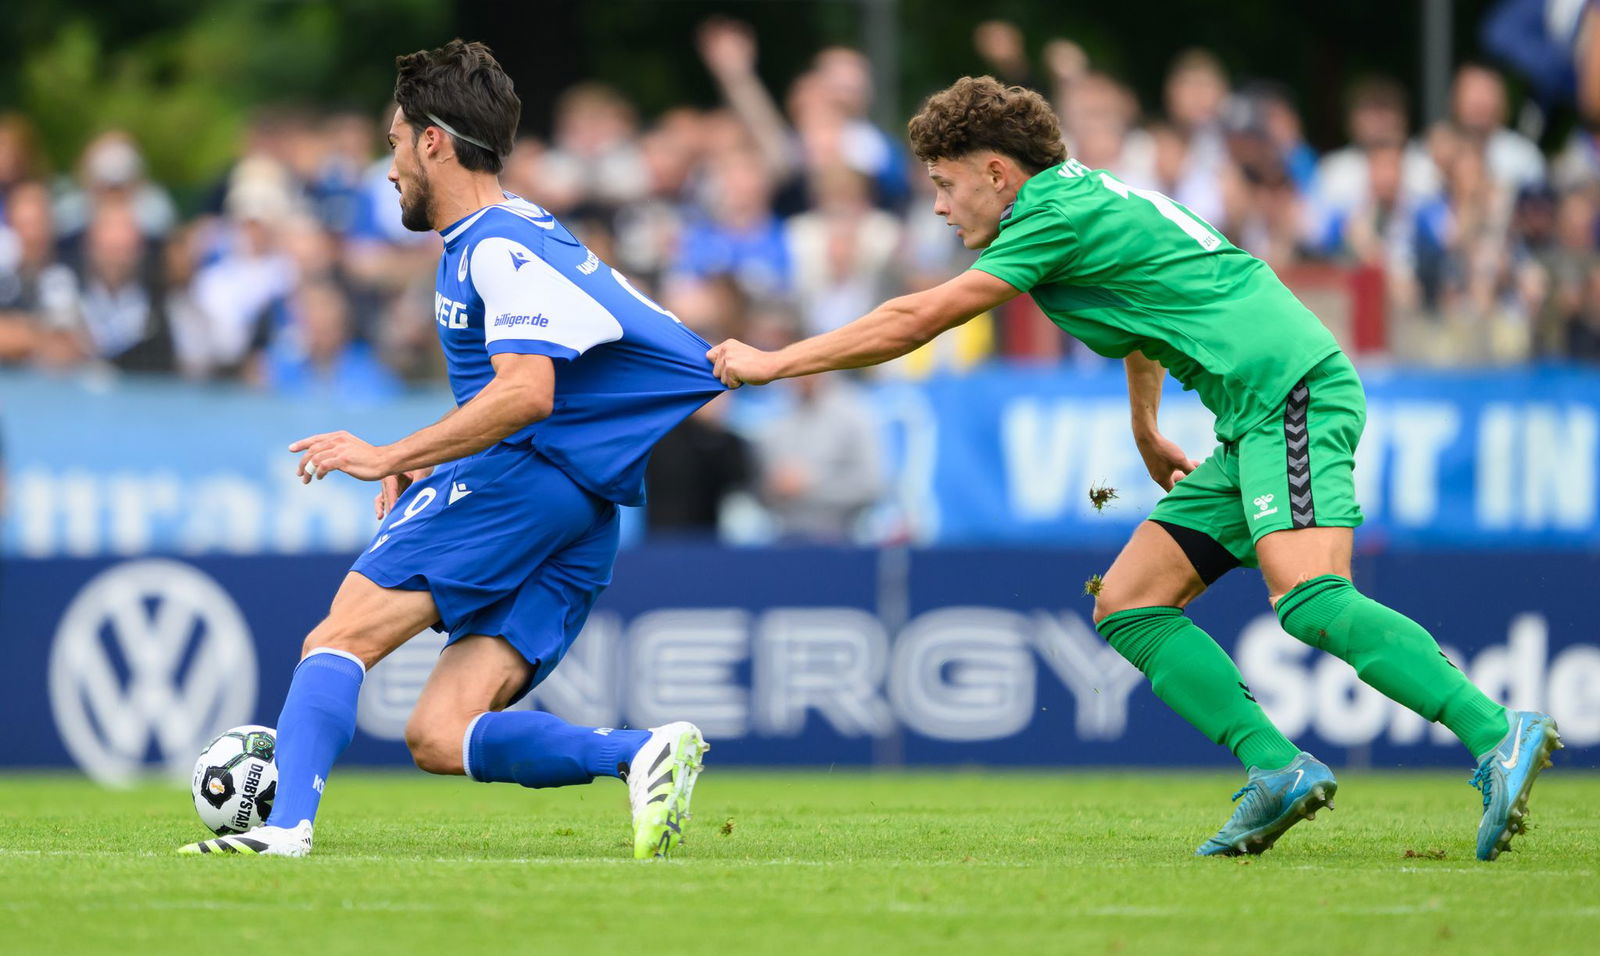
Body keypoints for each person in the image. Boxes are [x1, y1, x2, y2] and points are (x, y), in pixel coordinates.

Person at [707, 76, 1563, 862]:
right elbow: (1142, 317)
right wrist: (1146, 429)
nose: (936, 204)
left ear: (997, 174)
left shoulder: (1047, 217)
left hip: (1289, 392)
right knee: (1128, 603)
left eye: (944, 183)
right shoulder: (1077, 198)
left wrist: (775, 362)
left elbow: (916, 318)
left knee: (1308, 598)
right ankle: (1276, 768)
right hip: (1251, 416)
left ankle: (1496, 731)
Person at [180, 40, 716, 859]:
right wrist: (429, 452)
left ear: (434, 141)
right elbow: (529, 387)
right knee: (439, 732)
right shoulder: (518, 228)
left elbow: (527, 393)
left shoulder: (495, 246)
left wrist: (387, 450)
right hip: (578, 504)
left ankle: (284, 829)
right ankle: (639, 753)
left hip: (523, 479)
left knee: (338, 638)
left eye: (395, 142)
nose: (390, 167)